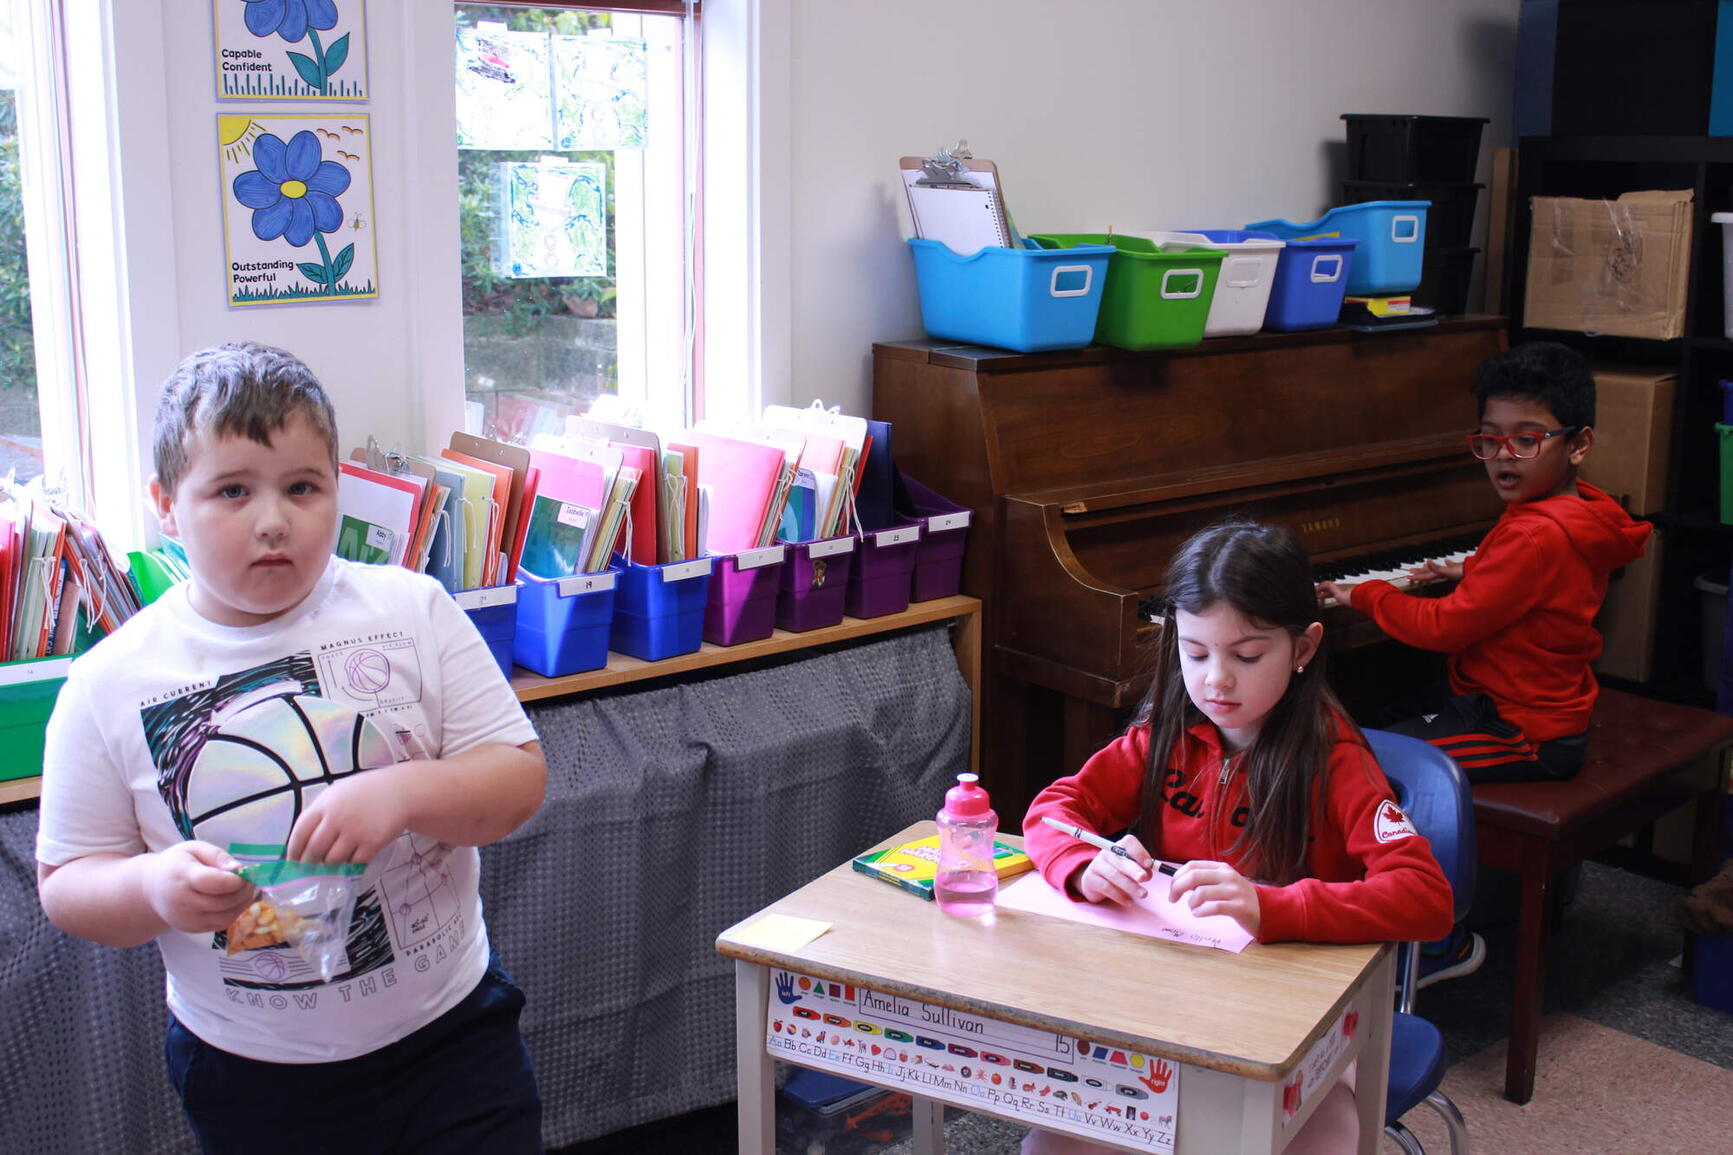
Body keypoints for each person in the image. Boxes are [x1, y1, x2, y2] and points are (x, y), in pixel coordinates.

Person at [35, 342, 548, 1154]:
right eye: (232, 490)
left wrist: (402, 792)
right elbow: (68, 881)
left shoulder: (413, 608)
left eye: (302, 486)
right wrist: (153, 885)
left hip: (453, 1039)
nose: (273, 519)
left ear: (338, 487)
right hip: (251, 1074)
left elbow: (518, 779)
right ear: (166, 505)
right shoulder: (106, 683)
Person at [1020, 518, 1454, 1155]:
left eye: (1247, 656)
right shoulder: (1165, 735)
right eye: (1195, 653)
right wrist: (1084, 863)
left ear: (1303, 648)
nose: (1215, 680)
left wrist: (1271, 906)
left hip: (1298, 1017)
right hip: (1172, 1003)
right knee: (1058, 1141)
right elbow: (1054, 810)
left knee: (1306, 1138)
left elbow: (1425, 898)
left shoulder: (1336, 761)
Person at [1316, 341, 1649, 987]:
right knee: (1374, 722)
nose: (1503, 455)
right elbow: (1538, 575)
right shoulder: (1583, 510)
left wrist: (1368, 594)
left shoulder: (1532, 531)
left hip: (1523, 730)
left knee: (1369, 765)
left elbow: (1445, 627)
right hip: (1510, 702)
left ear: (1577, 443)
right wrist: (1474, 569)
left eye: (1526, 439)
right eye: (1489, 439)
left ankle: (1442, 940)